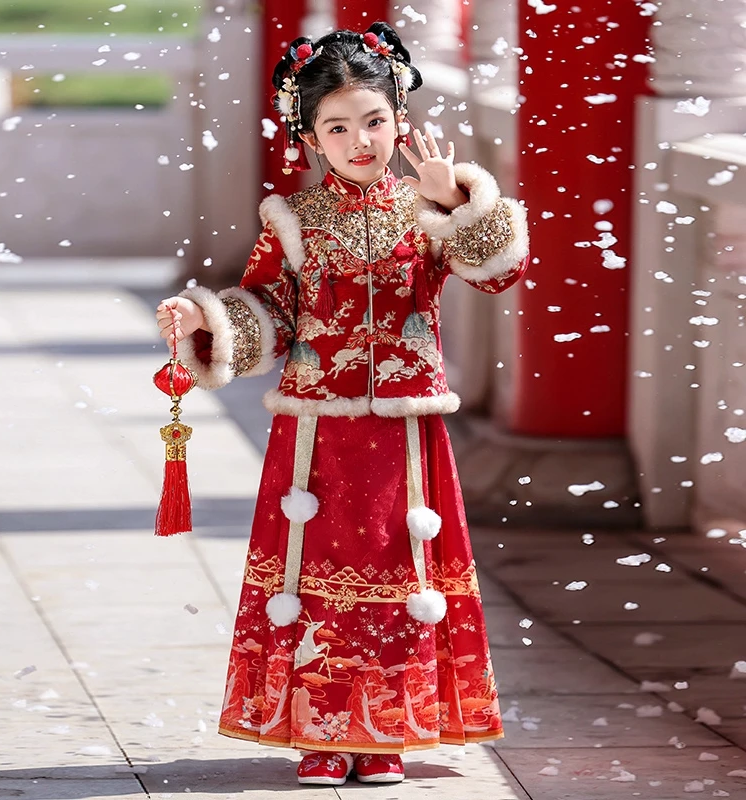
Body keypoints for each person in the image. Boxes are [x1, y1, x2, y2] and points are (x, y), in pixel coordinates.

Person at [155, 20, 529, 787]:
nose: (360, 140)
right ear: (309, 138)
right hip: (317, 436)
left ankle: (387, 728)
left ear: (400, 120)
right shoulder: (292, 223)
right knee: (315, 577)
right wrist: (205, 321)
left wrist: (456, 201)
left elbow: (498, 273)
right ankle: (322, 731)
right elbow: (269, 313)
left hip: (405, 436)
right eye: (337, 127)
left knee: (401, 573)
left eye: (375, 121)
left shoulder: (428, 211)